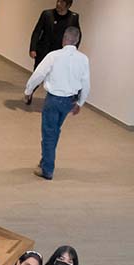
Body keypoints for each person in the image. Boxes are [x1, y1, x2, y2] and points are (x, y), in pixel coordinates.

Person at [24, 26, 88, 181]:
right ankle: (46, 159)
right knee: (55, 131)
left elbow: (38, 74)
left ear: (63, 39)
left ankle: (47, 170)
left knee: (49, 134)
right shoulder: (83, 59)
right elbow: (86, 83)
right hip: (69, 101)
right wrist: (80, 102)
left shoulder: (53, 56)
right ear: (77, 41)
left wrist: (28, 91)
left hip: (53, 100)